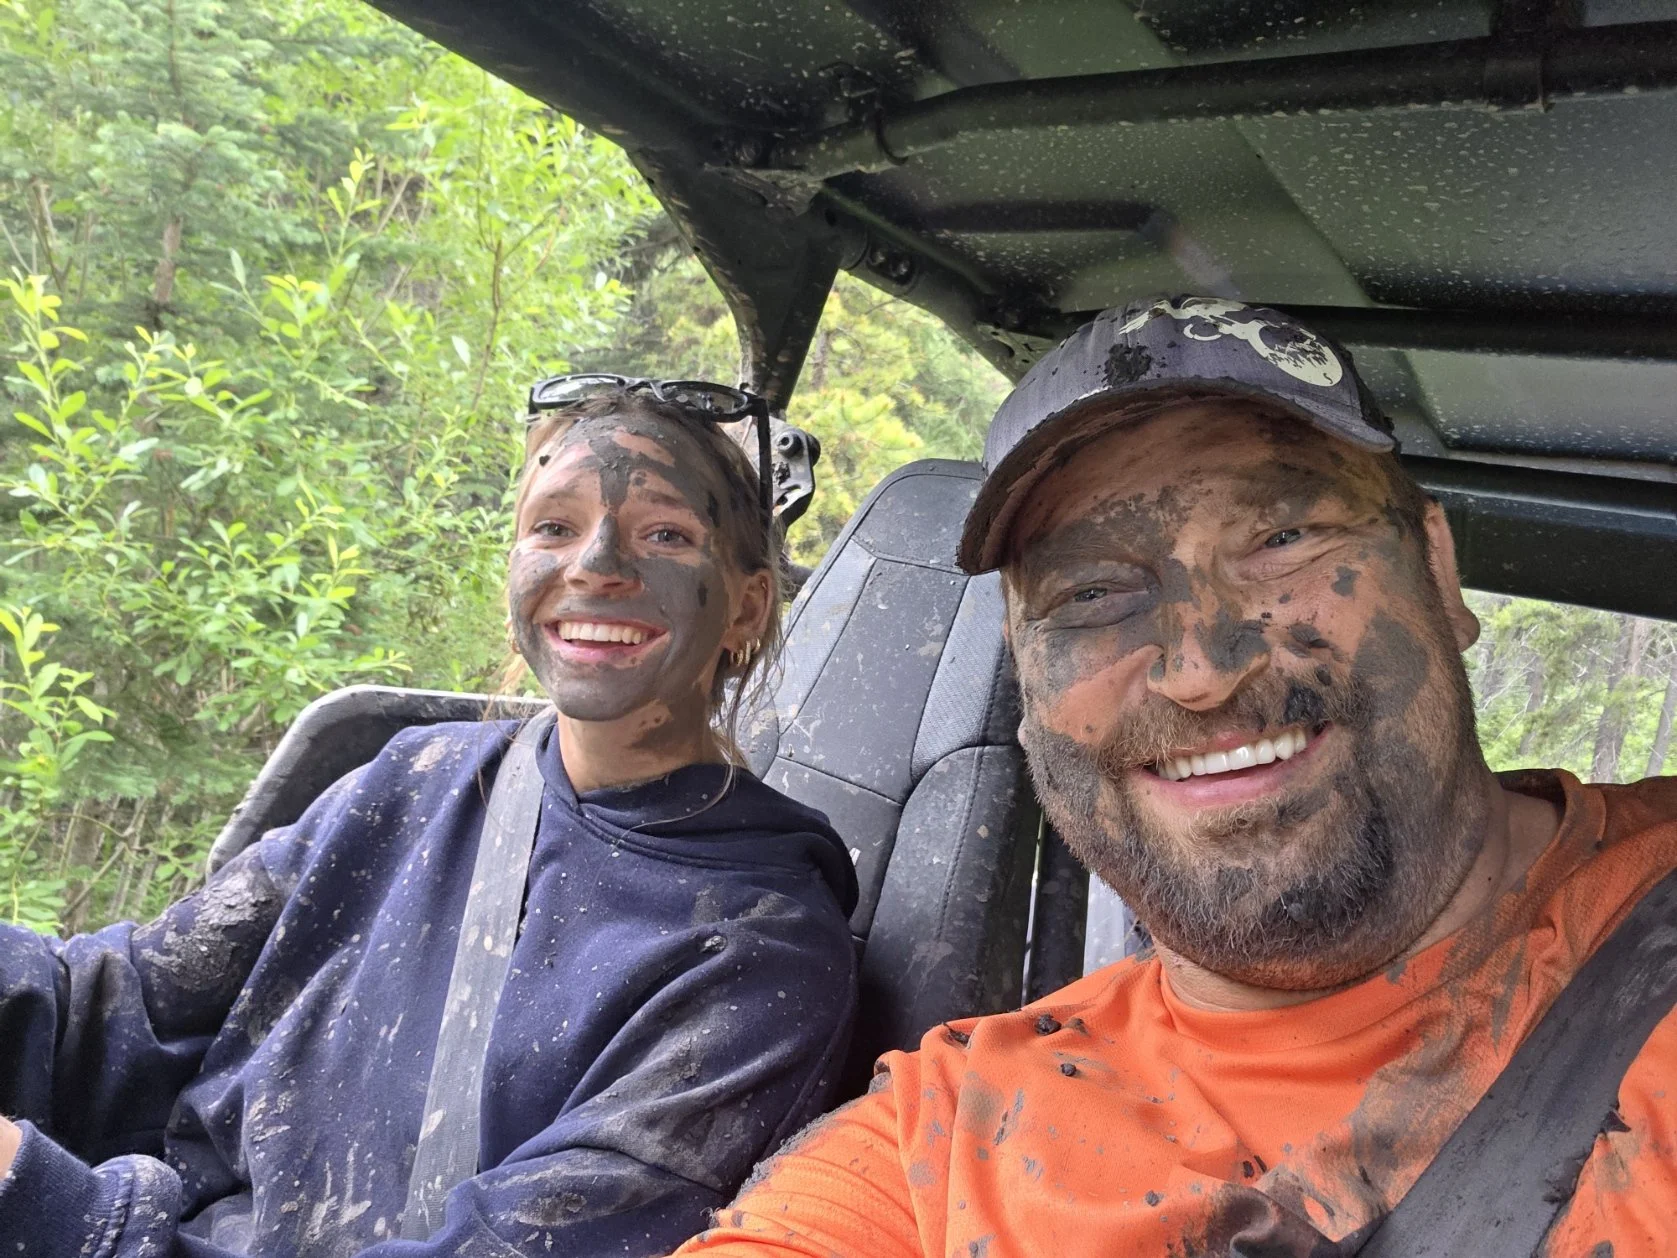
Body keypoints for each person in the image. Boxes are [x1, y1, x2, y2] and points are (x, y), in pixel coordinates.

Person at [669, 297, 1677, 1257]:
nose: (1200, 669)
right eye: (1094, 591)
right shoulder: (941, 1146)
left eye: (1283, 539)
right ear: (1025, 686)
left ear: (1439, 572)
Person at [0, 376, 860, 1257]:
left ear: (746, 606)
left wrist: (44, 1205)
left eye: (666, 533)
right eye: (553, 527)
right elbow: (127, 1002)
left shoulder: (759, 963)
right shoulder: (418, 776)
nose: (596, 564)